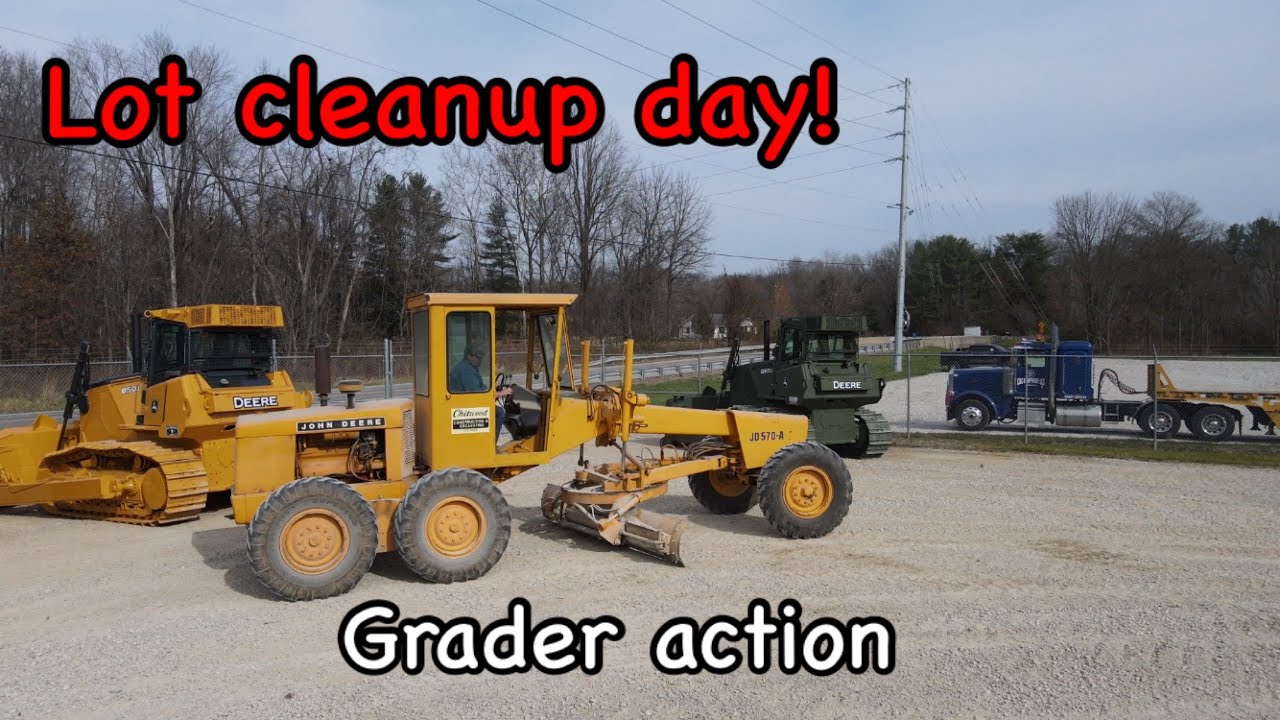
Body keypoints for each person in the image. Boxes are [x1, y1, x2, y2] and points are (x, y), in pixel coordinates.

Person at [449, 344, 513, 441]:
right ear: (469, 356)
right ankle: (492, 445)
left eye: (481, 357)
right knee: (500, 412)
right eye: (478, 357)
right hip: (466, 406)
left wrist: (494, 389)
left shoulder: (468, 368)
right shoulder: (466, 371)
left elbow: (480, 388)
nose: (480, 360)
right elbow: (477, 393)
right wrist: (502, 393)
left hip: (465, 403)